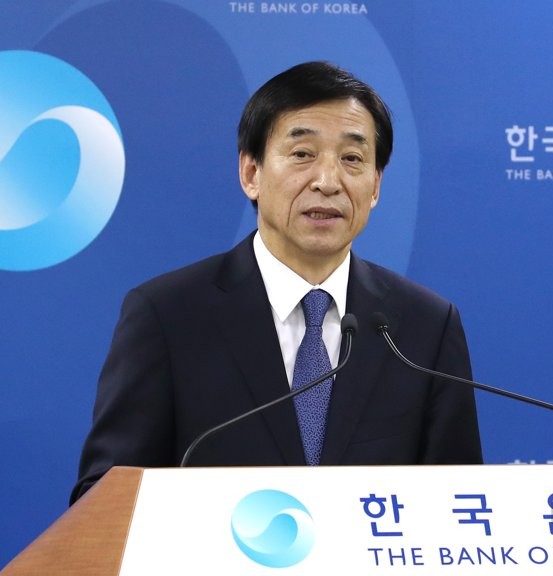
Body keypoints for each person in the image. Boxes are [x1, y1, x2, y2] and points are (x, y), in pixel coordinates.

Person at [70, 61, 482, 504]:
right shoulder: (168, 316)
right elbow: (104, 504)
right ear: (252, 173)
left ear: (376, 185)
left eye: (352, 159)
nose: (328, 182)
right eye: (302, 154)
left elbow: (459, 506)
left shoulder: (425, 327)